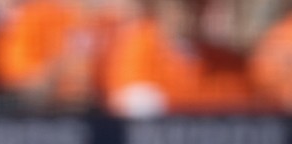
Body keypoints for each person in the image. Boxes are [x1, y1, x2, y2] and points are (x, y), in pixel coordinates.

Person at [102, 0, 257, 117]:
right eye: (181, 5)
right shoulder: (138, 50)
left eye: (197, 4)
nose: (189, 12)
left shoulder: (229, 63)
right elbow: (136, 111)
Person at [0, 0, 139, 112]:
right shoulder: (33, 16)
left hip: (104, 115)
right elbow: (21, 86)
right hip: (46, 115)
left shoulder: (112, 19)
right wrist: (60, 68)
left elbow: (131, 86)